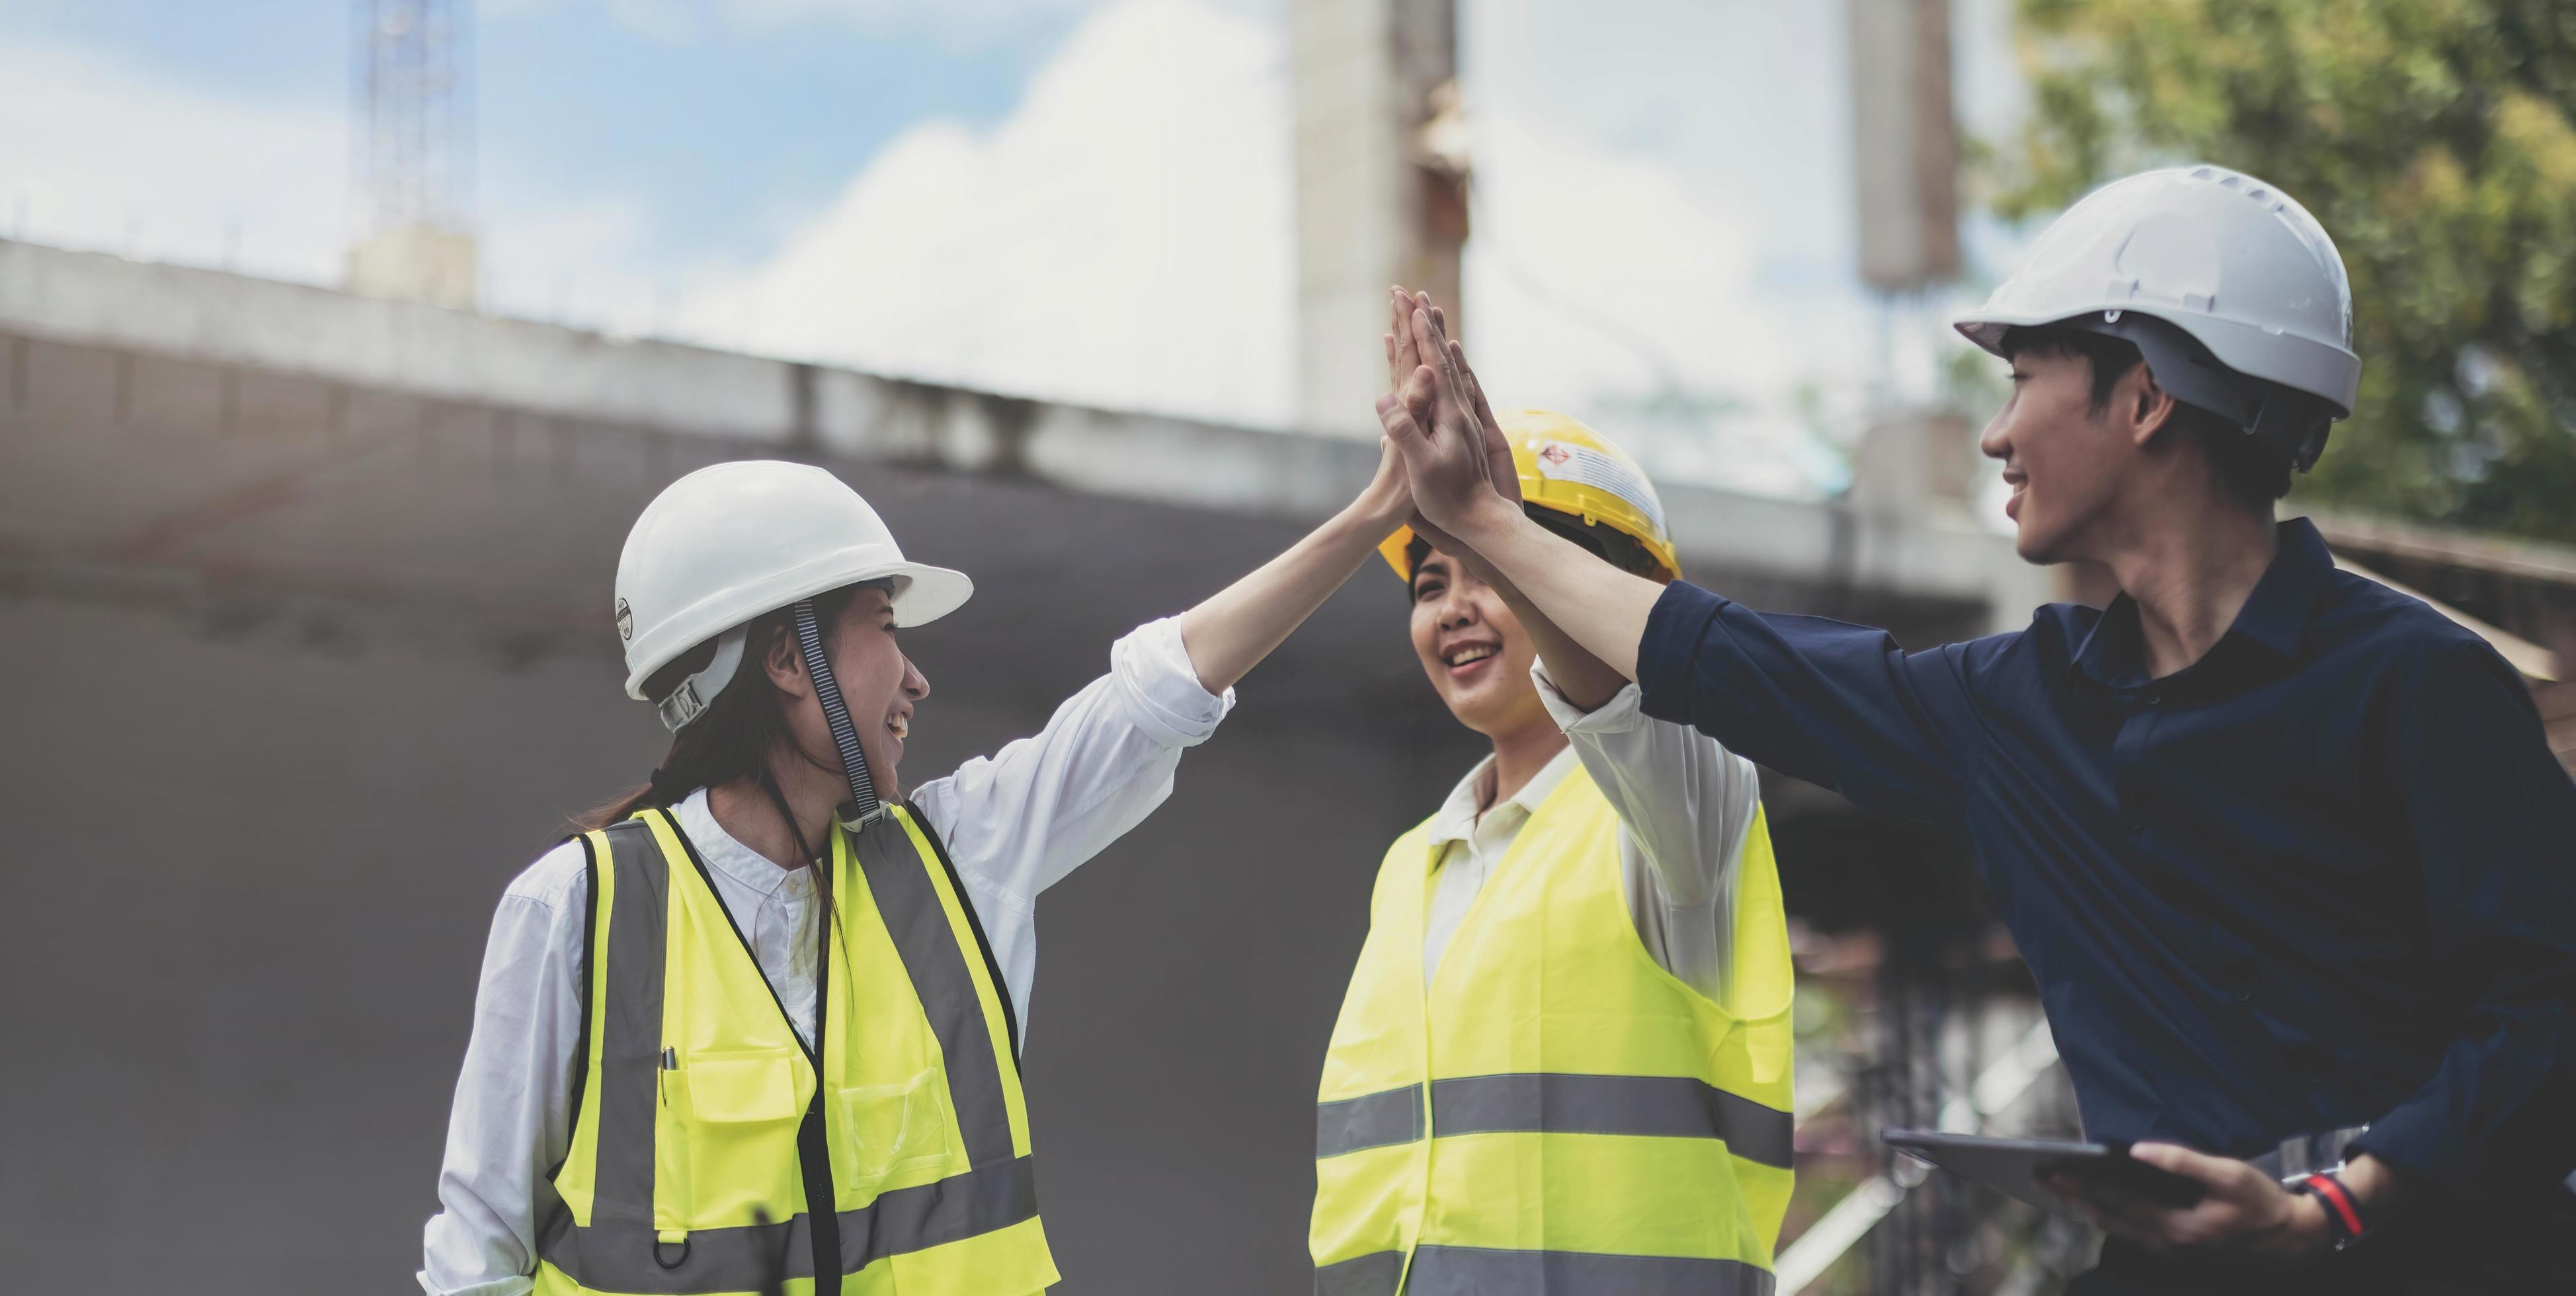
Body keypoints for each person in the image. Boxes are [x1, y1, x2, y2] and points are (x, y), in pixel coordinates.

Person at [1377, 165, 2576, 1291]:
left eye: (2023, 381)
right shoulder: (2017, 709)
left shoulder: (2420, 685)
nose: (1997, 436)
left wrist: (2335, 1206)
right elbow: (1726, 661)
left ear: (2146, 396)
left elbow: (2548, 1010)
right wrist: (1486, 522)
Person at [419, 452, 1415, 1296]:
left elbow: (1155, 697)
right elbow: (477, 1256)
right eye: (886, 629)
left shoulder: (955, 862)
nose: (916, 679)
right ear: (788, 658)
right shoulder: (576, 911)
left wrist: (1377, 514)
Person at [1308, 292, 1795, 1295]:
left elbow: (1629, 696)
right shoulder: (1411, 867)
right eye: (1430, 582)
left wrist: (1491, 522)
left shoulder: (1679, 812)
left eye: (1490, 568)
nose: (1454, 610)